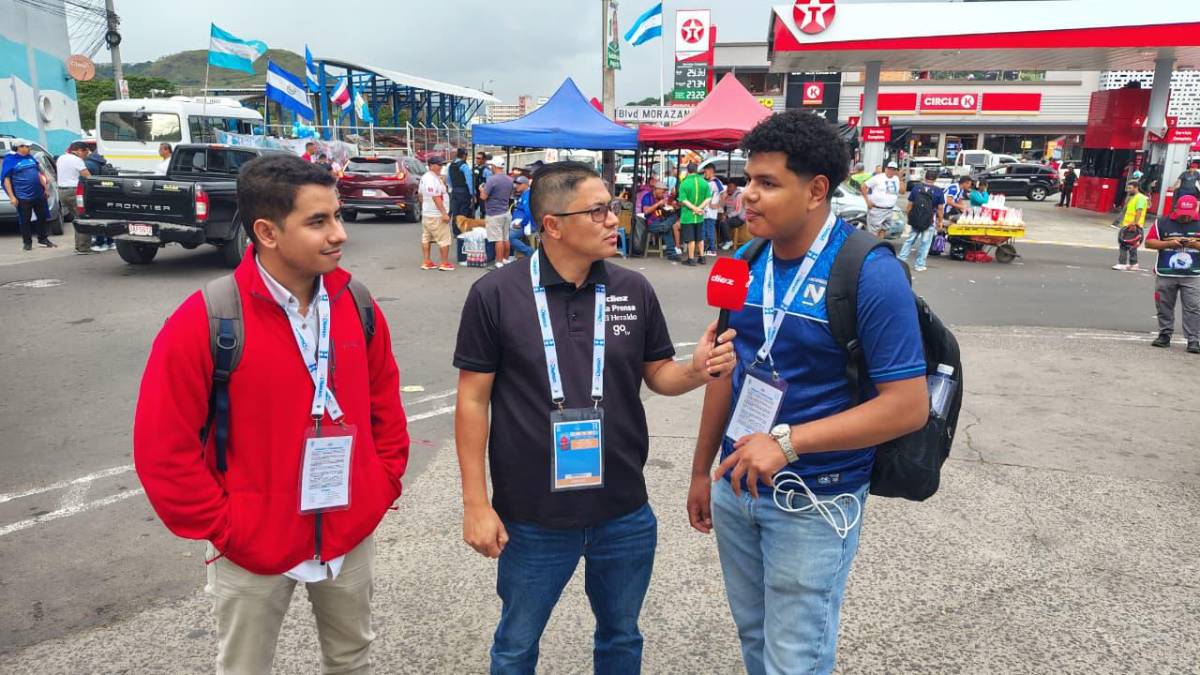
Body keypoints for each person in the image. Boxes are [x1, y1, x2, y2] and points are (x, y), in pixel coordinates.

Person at [453, 160, 738, 674]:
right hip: (532, 516)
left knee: (621, 639)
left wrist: (696, 371)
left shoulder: (632, 289)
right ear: (553, 224)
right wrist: (476, 502)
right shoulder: (495, 294)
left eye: (614, 207)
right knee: (516, 644)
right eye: (599, 210)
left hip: (623, 511)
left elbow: (658, 375)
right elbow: (473, 401)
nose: (615, 220)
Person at [133, 154, 410, 674]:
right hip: (251, 542)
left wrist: (382, 484)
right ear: (266, 231)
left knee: (351, 659)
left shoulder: (357, 303)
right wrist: (229, 527)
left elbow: (385, 405)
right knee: (244, 668)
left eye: (338, 215)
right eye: (318, 221)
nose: (340, 234)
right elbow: (162, 448)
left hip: (348, 528)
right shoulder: (208, 318)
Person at [689, 110, 928, 675]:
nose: (747, 196)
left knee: (795, 658)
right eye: (748, 180)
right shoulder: (739, 263)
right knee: (755, 639)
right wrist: (703, 471)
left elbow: (907, 406)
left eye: (767, 183)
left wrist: (788, 443)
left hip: (814, 498)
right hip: (737, 487)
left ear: (817, 190)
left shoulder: (869, 272)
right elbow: (726, 374)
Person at [1145, 194, 1200, 353]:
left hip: (1192, 274)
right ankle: (1164, 335)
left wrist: (1194, 244)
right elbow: (1149, 242)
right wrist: (1169, 243)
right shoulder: (1162, 222)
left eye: (1188, 216)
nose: (1184, 218)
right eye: (1182, 214)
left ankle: (1193, 340)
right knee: (1164, 305)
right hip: (1166, 272)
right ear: (1176, 209)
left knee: (1193, 308)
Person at [1, 140, 56, 251]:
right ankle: (27, 243)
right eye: (24, 146)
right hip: (23, 196)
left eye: (27, 146)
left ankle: (43, 239)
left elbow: (38, 174)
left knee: (42, 217)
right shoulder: (10, 160)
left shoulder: (30, 158)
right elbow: (6, 180)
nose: (27, 148)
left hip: (38, 194)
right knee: (25, 220)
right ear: (18, 148)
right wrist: (12, 197)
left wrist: (45, 188)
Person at [899, 168, 946, 272]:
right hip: (929, 220)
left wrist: (909, 217)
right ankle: (919, 265)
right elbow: (940, 209)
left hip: (916, 218)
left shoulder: (917, 188)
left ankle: (901, 260)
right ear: (935, 179)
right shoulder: (938, 191)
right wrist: (940, 222)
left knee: (910, 240)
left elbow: (910, 204)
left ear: (925, 177)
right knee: (925, 243)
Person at [56, 142, 95, 254]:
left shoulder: (61, 158)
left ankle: (79, 246)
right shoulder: (77, 160)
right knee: (84, 218)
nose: (86, 156)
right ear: (79, 150)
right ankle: (84, 248)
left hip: (62, 192)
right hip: (73, 191)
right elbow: (87, 176)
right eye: (85, 153)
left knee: (77, 218)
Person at [419, 156, 454, 271]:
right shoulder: (431, 179)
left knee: (426, 237)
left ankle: (427, 261)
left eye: (442, 165)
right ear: (431, 165)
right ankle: (444, 263)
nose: (441, 167)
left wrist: (424, 207)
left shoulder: (429, 177)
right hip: (436, 214)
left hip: (427, 213)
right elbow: (436, 197)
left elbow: (420, 195)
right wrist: (444, 213)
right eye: (439, 165)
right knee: (444, 238)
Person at [481, 156, 514, 268]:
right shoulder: (509, 180)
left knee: (498, 239)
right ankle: (505, 259)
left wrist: (482, 189)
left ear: (494, 166)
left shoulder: (492, 180)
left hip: (494, 213)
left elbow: (484, 196)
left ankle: (498, 262)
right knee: (506, 238)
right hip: (505, 211)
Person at [677, 161, 712, 266]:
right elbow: (708, 198)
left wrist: (694, 208)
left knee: (691, 238)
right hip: (700, 216)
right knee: (699, 238)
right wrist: (699, 209)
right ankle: (702, 258)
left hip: (688, 216)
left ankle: (691, 259)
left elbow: (683, 200)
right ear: (697, 170)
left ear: (687, 171)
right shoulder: (704, 183)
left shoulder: (684, 183)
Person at [448, 148, 476, 264]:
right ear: (464, 155)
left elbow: (448, 180)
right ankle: (463, 233)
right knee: (463, 213)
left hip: (454, 191)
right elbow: (469, 180)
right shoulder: (464, 166)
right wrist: (472, 193)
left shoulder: (451, 165)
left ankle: (456, 233)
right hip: (464, 192)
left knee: (455, 212)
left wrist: (452, 189)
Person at [861, 161, 901, 239]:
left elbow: (902, 191)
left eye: (893, 169)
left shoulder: (896, 179)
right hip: (877, 209)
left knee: (884, 229)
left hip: (889, 210)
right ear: (885, 169)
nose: (891, 171)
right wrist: (867, 201)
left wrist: (901, 178)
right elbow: (863, 186)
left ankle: (879, 246)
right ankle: (872, 248)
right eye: (889, 169)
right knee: (874, 232)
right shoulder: (878, 177)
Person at [641, 181, 680, 261]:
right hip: (651, 224)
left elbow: (662, 212)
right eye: (662, 192)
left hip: (661, 222)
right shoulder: (647, 197)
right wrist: (658, 204)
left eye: (664, 192)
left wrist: (670, 208)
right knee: (666, 227)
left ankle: (672, 254)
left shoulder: (661, 198)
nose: (663, 194)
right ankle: (672, 253)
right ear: (656, 189)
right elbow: (646, 211)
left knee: (671, 219)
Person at [1114, 182, 1148, 271]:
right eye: (1127, 188)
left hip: (1132, 226)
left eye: (1130, 188)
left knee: (1124, 244)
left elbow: (1139, 211)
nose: (1128, 190)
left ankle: (1122, 264)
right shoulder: (1135, 197)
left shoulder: (1139, 198)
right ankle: (1134, 264)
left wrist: (1134, 224)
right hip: (1130, 225)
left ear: (1136, 187)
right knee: (1132, 245)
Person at [508, 175, 535, 258]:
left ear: (525, 184)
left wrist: (522, 223)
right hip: (519, 221)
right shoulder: (524, 194)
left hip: (524, 223)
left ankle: (529, 252)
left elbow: (529, 212)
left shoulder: (527, 194)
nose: (516, 186)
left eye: (519, 184)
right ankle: (513, 256)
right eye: (516, 183)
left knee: (509, 238)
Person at [701, 164, 724, 257]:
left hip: (711, 211)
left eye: (705, 171)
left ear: (711, 170)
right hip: (704, 210)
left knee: (709, 230)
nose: (704, 173)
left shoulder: (717, 182)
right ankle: (703, 249)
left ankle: (712, 249)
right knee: (703, 230)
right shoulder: (706, 181)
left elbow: (723, 195)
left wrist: (717, 205)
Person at [719, 180, 745, 251]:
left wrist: (727, 216)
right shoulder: (728, 195)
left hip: (739, 218)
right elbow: (722, 206)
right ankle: (724, 240)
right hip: (731, 216)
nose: (728, 188)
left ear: (735, 187)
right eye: (728, 187)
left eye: (731, 187)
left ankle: (729, 241)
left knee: (724, 222)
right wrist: (723, 198)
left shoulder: (738, 195)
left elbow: (738, 211)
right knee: (719, 221)